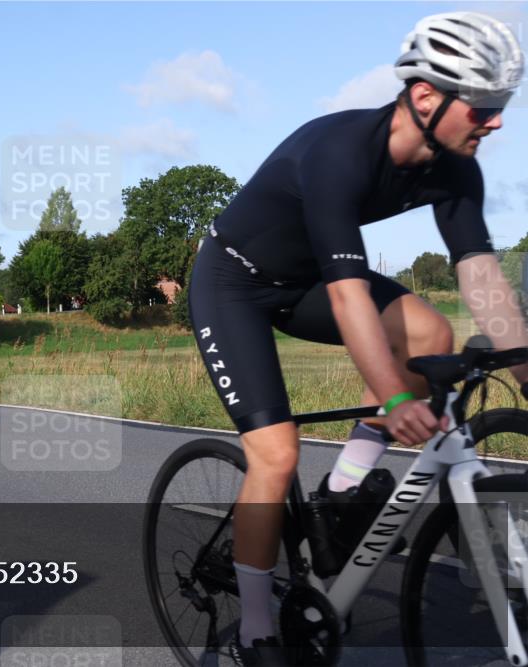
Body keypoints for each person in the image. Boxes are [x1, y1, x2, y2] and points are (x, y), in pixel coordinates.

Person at [186, 12, 528, 665]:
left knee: (431, 329)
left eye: (502, 106)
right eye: (485, 107)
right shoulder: (340, 153)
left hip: (305, 279)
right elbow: (348, 297)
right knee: (275, 455)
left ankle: (342, 494)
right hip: (235, 284)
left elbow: (481, 278)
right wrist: (397, 400)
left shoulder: (456, 167)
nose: (498, 122)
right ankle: (254, 634)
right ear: (426, 97)